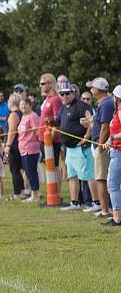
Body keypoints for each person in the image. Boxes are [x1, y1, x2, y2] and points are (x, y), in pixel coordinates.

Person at [54, 81, 95, 211]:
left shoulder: (82, 106)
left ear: (72, 93)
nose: (65, 96)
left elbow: (91, 123)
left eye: (67, 93)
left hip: (81, 147)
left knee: (88, 176)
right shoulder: (63, 107)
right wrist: (50, 122)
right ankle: (75, 202)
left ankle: (97, 203)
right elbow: (59, 122)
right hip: (69, 148)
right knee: (72, 176)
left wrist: (85, 138)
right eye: (62, 94)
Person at [89, 77, 114, 218]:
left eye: (92, 87)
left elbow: (105, 127)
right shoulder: (106, 102)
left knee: (101, 179)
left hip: (102, 146)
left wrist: (99, 146)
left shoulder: (105, 104)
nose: (91, 90)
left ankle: (105, 210)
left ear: (97, 90)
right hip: (102, 144)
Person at [39, 73, 64, 198]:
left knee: (54, 167)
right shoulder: (47, 99)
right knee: (48, 166)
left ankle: (57, 194)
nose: (41, 86)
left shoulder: (56, 99)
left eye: (43, 83)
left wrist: (50, 139)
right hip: (44, 139)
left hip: (52, 140)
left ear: (50, 84)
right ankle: (52, 192)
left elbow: (57, 122)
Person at [102, 84, 121, 226]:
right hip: (115, 150)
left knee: (112, 184)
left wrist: (113, 138)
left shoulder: (120, 111)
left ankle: (117, 218)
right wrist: (109, 140)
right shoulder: (117, 112)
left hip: (119, 152)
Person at [18, 99, 42, 202]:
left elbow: (38, 132)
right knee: (28, 172)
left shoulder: (33, 116)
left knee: (31, 172)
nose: (23, 106)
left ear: (30, 105)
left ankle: (35, 195)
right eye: (21, 104)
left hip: (31, 148)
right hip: (23, 148)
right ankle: (33, 193)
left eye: (25, 104)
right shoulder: (23, 116)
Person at [3, 93, 26, 201]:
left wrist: (8, 145)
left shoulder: (13, 115)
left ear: (11, 102)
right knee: (17, 170)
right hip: (19, 144)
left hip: (15, 145)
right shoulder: (21, 113)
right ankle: (20, 191)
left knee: (14, 170)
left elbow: (12, 131)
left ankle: (18, 193)